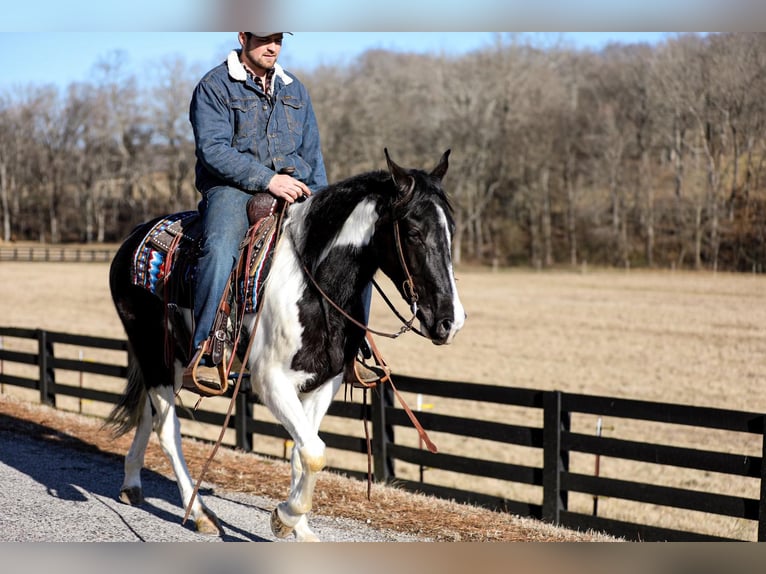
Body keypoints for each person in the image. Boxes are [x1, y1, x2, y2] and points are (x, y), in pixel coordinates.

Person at [185, 32, 377, 391]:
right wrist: (267, 179)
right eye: (263, 39)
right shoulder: (214, 86)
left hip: (296, 186)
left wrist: (324, 203)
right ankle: (208, 348)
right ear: (243, 37)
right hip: (232, 188)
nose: (272, 47)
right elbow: (213, 150)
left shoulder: (295, 90)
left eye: (277, 39)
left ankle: (356, 348)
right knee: (220, 246)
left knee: (352, 245)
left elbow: (312, 154)